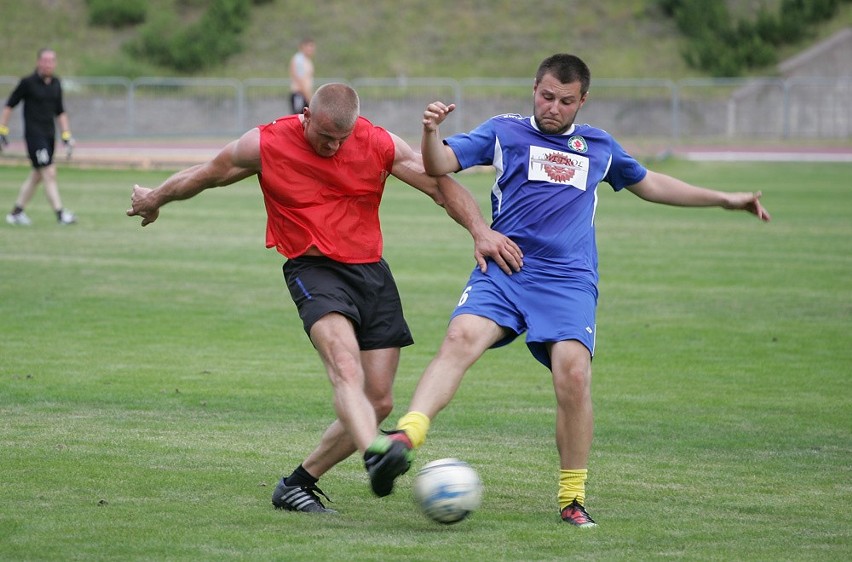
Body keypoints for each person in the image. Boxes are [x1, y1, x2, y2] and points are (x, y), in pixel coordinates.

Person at [384, 53, 771, 527]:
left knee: (573, 374)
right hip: (507, 265)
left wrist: (726, 200)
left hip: (568, 279)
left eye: (566, 101)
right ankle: (405, 438)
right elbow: (440, 162)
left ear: (582, 101)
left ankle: (572, 497)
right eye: (547, 96)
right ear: (534, 89)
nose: (554, 107)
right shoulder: (504, 131)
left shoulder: (599, 147)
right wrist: (428, 130)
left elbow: (651, 184)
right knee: (460, 338)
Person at [126, 83, 523, 513]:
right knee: (344, 364)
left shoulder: (376, 142)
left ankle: (297, 484)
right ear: (306, 116)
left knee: (379, 400)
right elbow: (206, 174)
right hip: (313, 269)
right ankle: (375, 454)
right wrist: (154, 198)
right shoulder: (267, 143)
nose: (334, 146)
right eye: (325, 136)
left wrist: (480, 232)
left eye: (342, 138)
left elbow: (439, 186)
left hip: (371, 272)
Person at [1, 48, 76, 226]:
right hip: (34, 137)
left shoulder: (56, 83)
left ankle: (16, 213)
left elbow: (60, 111)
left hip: (50, 136)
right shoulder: (27, 83)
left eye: (52, 61)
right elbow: (9, 105)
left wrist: (66, 135)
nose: (48, 64)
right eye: (45, 60)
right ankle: (60, 215)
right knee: (49, 172)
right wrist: (2, 129)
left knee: (38, 175)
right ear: (38, 62)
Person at [288, 38, 315, 115]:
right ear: (303, 47)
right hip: (300, 94)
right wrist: (309, 98)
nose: (311, 49)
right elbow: (300, 80)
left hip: (304, 95)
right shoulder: (299, 60)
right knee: (299, 120)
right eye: (309, 46)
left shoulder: (306, 60)